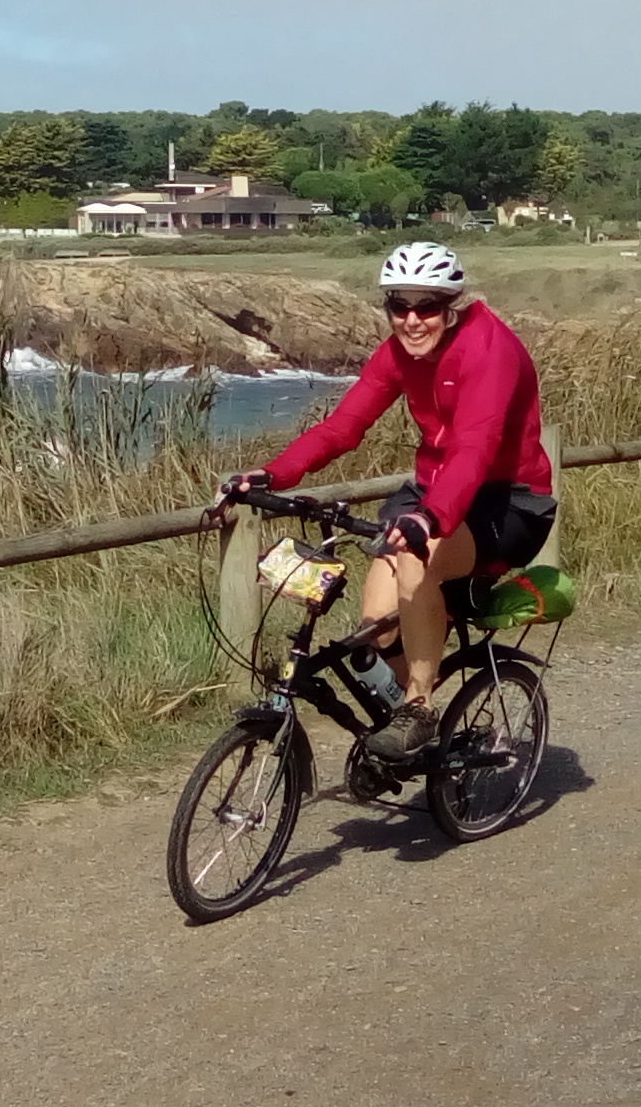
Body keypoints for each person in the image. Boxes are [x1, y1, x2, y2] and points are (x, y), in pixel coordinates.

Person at [222, 242, 557, 760]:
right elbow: (343, 427)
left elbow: (474, 451)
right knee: (376, 627)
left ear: (451, 304)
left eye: (427, 306)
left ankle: (419, 708)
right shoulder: (398, 354)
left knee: (411, 559)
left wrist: (428, 517)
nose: (412, 320)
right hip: (434, 496)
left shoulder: (489, 351)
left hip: (509, 501)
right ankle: (421, 734)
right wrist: (271, 473)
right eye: (399, 306)